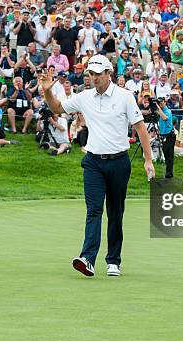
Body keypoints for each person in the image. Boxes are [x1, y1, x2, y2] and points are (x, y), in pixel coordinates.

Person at [39, 54, 155, 277]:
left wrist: (148, 159)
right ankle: (87, 258)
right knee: (93, 210)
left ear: (108, 73)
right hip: (93, 162)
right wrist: (46, 91)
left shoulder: (125, 97)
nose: (93, 78)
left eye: (97, 74)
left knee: (115, 211)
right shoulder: (84, 97)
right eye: (90, 74)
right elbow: (56, 108)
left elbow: (140, 128)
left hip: (119, 162)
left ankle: (113, 260)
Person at [155, 96, 175, 178]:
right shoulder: (160, 110)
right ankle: (168, 172)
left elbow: (164, 118)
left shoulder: (167, 111)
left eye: (161, 102)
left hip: (169, 135)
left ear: (165, 102)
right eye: (159, 102)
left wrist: (158, 110)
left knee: (169, 156)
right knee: (166, 154)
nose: (160, 104)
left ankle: (169, 174)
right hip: (163, 134)